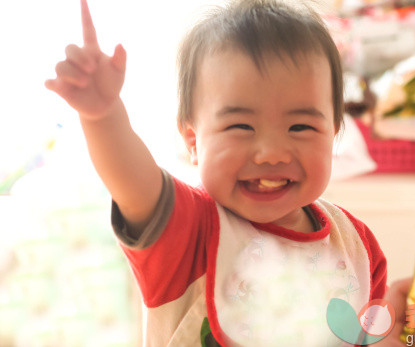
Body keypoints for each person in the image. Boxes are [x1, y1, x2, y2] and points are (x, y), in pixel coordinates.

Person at [46, 0, 387, 345]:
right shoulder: (188, 230)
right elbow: (133, 183)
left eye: (300, 126)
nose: (271, 154)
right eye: (241, 126)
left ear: (333, 133)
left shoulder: (356, 244)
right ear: (194, 142)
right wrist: (103, 116)